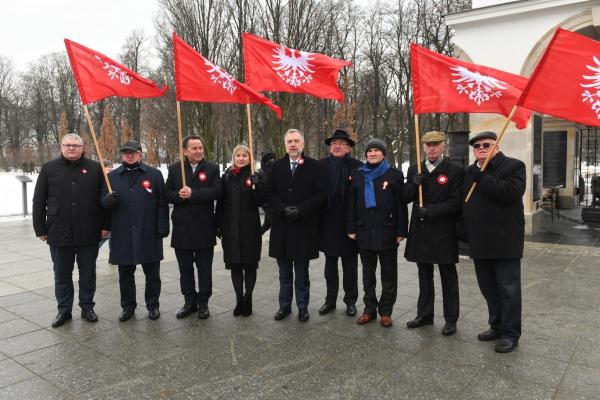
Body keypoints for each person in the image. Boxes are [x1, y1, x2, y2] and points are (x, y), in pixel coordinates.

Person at [32, 133, 106, 327]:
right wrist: (40, 228)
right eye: (68, 145)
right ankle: (64, 310)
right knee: (62, 274)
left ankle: (87, 307)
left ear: (83, 148)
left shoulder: (94, 168)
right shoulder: (49, 168)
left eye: (76, 145)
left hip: (88, 230)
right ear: (61, 147)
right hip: (58, 230)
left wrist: (106, 226)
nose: (71, 148)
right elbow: (39, 200)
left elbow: (103, 199)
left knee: (88, 273)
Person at [462, 131, 525, 353]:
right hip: (480, 242)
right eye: (477, 145)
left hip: (505, 242)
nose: (481, 148)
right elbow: (465, 203)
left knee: (508, 291)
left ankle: (510, 334)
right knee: (489, 290)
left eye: (486, 144)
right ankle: (496, 326)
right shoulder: (470, 171)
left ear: (496, 147)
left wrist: (483, 178)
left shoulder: (514, 166)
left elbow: (511, 193)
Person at [403, 131, 464, 336]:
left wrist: (431, 211)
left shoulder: (454, 171)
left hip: (443, 232)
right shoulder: (415, 169)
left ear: (444, 146)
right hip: (421, 232)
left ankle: (451, 319)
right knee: (424, 276)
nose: (432, 148)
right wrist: (414, 184)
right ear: (423, 147)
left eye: (436, 144)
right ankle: (425, 314)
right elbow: (404, 197)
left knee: (448, 277)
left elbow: (456, 203)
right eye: (428, 145)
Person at [101, 141, 169, 322]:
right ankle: (128, 307)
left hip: (148, 232)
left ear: (140, 154)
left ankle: (153, 305)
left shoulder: (154, 175)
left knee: (152, 274)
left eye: (133, 152)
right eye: (125, 153)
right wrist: (107, 201)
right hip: (123, 233)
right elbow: (102, 203)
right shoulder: (112, 177)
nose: (129, 156)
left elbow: (162, 203)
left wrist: (163, 226)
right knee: (125, 275)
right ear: (121, 155)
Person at [347, 138, 408, 328]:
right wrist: (351, 228)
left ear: (384, 154)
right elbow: (352, 204)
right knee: (368, 274)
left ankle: (386, 312)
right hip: (364, 231)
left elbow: (401, 205)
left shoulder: (394, 175)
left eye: (376, 150)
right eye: (369, 151)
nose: (372, 153)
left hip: (388, 232)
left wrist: (401, 230)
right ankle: (369, 310)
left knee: (388, 275)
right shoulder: (357, 175)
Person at [267, 129, 326, 322]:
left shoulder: (315, 167)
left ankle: (302, 306)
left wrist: (301, 210)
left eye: (296, 141)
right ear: (285, 145)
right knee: (284, 274)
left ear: (303, 144)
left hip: (304, 227)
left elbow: (320, 195)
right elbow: (270, 193)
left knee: (302, 273)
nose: (293, 145)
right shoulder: (276, 167)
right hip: (282, 227)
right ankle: (284, 306)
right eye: (289, 141)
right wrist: (282, 209)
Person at [165, 135, 221, 319]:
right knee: (185, 269)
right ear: (185, 151)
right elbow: (167, 194)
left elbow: (217, 191)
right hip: (182, 229)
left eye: (200, 147)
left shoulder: (211, 168)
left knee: (205, 269)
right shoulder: (175, 169)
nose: (198, 151)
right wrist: (179, 196)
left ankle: (203, 303)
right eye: (194, 148)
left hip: (204, 228)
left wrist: (194, 194)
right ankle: (189, 301)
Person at [318, 129, 363, 317]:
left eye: (342, 143)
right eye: (334, 143)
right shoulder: (320, 165)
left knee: (350, 265)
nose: (337, 146)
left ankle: (351, 301)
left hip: (349, 222)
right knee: (330, 265)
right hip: (327, 222)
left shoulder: (358, 166)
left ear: (349, 148)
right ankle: (330, 299)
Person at [216, 144, 264, 317]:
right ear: (233, 158)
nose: (241, 158)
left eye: (245, 155)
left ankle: (248, 298)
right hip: (231, 229)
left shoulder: (255, 176)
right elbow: (221, 203)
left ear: (250, 158)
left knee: (250, 266)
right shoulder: (226, 177)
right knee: (235, 266)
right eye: (238, 155)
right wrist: (218, 224)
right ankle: (239, 300)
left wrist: (258, 186)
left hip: (250, 229)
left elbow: (261, 202)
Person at [256, 151, 276, 234]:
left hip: (276, 205)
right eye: (269, 160)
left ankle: (256, 236)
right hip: (268, 206)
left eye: (273, 159)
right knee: (274, 226)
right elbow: (260, 192)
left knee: (266, 225)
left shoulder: (276, 171)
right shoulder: (260, 173)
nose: (271, 161)